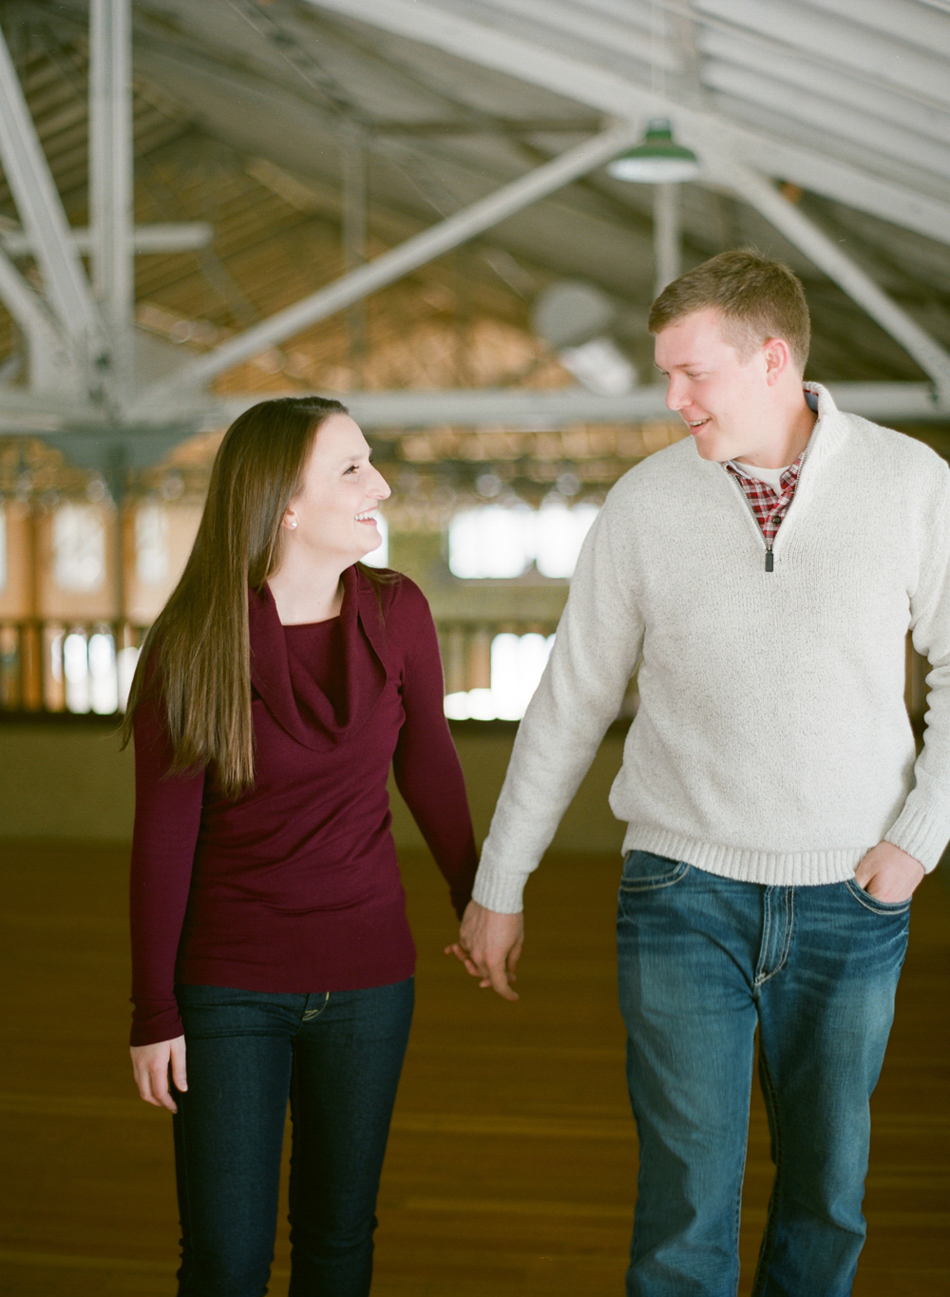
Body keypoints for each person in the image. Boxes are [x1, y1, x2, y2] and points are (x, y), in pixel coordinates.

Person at [448, 250, 950, 1295]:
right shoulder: (641, 503)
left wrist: (915, 841)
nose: (671, 398)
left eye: (692, 373)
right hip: (679, 894)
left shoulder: (910, 484)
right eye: (664, 374)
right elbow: (568, 702)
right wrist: (499, 884)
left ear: (771, 358)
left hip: (851, 899)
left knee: (827, 1197)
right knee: (682, 1206)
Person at [125, 396, 477, 1297]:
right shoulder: (193, 642)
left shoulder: (400, 613)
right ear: (285, 503)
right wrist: (154, 1009)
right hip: (229, 988)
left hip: (369, 983)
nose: (381, 485)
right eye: (353, 469)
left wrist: (476, 895)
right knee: (225, 1261)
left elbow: (428, 761)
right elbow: (164, 837)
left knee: (336, 1242)